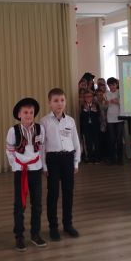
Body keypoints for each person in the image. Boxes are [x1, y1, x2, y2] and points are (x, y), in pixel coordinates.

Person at [5, 97, 47, 252]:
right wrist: (15, 164)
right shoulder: (13, 131)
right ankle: (19, 236)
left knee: (37, 203)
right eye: (25, 112)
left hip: (36, 169)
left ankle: (35, 234)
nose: (29, 115)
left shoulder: (40, 129)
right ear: (19, 114)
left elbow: (41, 148)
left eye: (31, 112)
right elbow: (9, 149)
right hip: (20, 171)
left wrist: (42, 165)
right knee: (19, 204)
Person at [40, 88, 81, 241]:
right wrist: (44, 166)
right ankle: (53, 227)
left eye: (62, 100)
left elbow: (76, 142)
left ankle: (68, 224)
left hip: (68, 158)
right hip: (53, 159)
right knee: (53, 193)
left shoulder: (70, 121)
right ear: (49, 103)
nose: (59, 104)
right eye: (56, 101)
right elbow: (42, 146)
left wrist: (76, 161)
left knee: (68, 192)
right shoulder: (44, 122)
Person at [105, 77, 125, 165]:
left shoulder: (120, 92)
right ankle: (111, 159)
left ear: (116, 85)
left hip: (119, 118)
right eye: (110, 85)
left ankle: (120, 159)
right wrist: (106, 103)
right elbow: (105, 106)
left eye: (113, 85)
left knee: (119, 139)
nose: (112, 87)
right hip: (110, 119)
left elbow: (124, 103)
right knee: (111, 139)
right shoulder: (106, 94)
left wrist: (117, 102)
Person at [79, 90, 101, 163]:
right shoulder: (82, 105)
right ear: (84, 98)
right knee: (88, 142)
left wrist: (93, 110)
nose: (88, 98)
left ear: (92, 97)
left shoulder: (96, 105)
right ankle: (90, 157)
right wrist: (86, 110)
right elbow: (81, 116)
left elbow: (99, 115)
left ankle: (97, 157)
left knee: (96, 142)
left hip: (95, 126)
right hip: (86, 126)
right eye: (86, 97)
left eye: (90, 96)